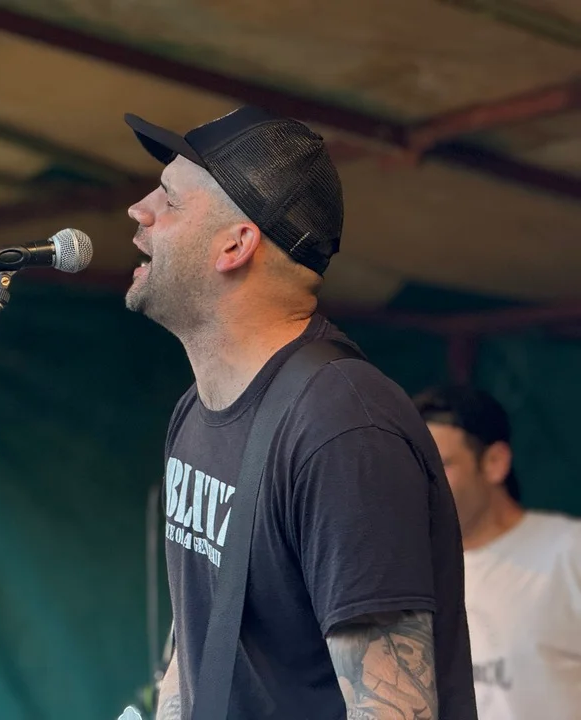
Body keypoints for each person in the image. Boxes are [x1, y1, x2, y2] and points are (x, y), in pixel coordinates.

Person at [121, 105, 478, 719]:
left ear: (236, 244)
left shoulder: (342, 427)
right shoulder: (197, 410)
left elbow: (393, 709)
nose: (139, 209)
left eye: (170, 199)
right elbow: (198, 642)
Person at [414, 384, 581, 719]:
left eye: (440, 466)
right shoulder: (411, 571)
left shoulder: (568, 550)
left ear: (494, 462)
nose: (422, 484)